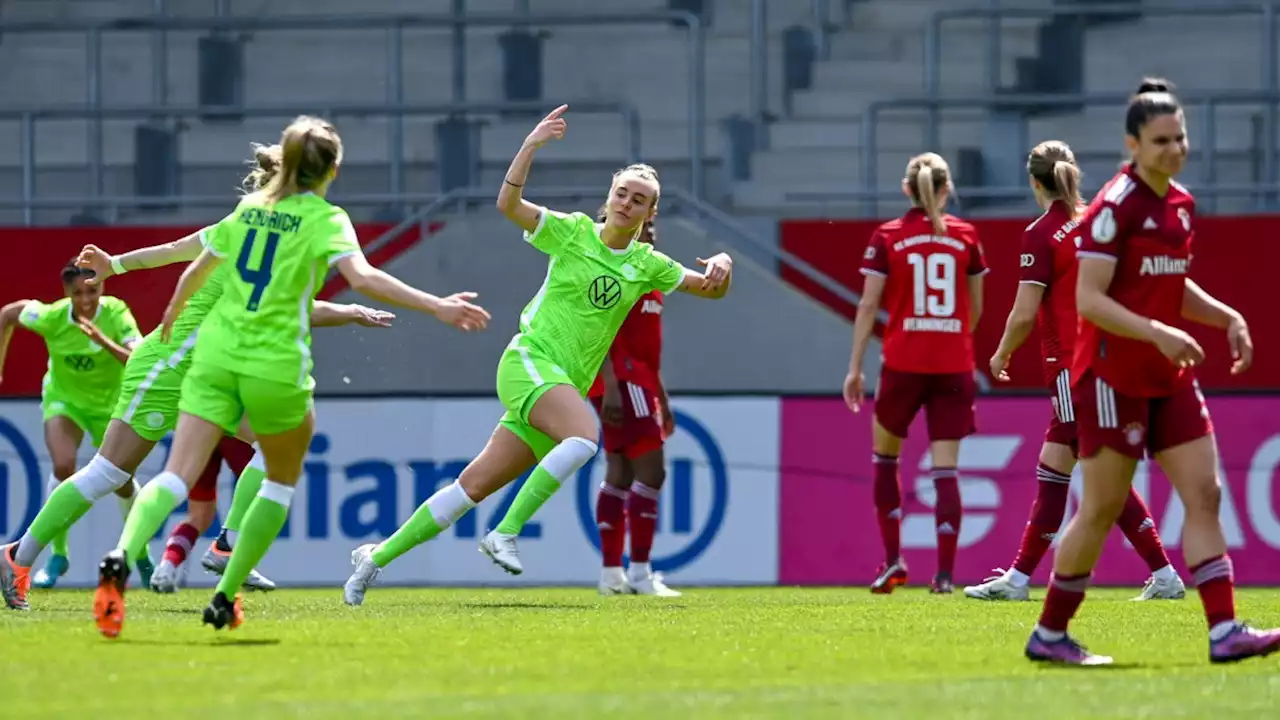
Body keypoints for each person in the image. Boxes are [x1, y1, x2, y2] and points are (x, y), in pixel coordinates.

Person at [89, 115, 489, 636]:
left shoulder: (249, 208)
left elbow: (192, 270)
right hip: (275, 365)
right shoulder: (326, 218)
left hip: (214, 357)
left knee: (175, 474)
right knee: (277, 481)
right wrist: (435, 305)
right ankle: (225, 592)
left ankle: (121, 553)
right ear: (333, 169)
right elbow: (363, 278)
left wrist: (170, 314)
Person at [341, 105, 733, 606]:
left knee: (470, 487)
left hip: (557, 385)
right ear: (608, 198)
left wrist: (723, 261)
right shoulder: (571, 232)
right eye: (622, 194)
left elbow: (710, 289)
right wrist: (530, 145)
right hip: (528, 360)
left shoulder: (647, 263)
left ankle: (372, 561)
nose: (628, 204)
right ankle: (505, 531)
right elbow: (509, 203)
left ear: (651, 213)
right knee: (586, 437)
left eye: (640, 200)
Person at [1025, 78, 1280, 665]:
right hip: (1113, 377)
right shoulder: (1115, 208)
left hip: (1168, 377)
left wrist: (1226, 316)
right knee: (1100, 509)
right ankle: (1051, 633)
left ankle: (1223, 631)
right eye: (1161, 140)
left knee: (1206, 494)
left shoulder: (1180, 205)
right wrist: (1157, 331)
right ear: (1132, 144)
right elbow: (1089, 299)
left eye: (1180, 137)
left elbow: (1170, 283)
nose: (1174, 148)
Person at [964, 140, 1185, 603]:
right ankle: (1021, 579)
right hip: (1109, 361)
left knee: (1093, 476)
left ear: (1033, 182)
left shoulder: (1041, 233)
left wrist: (1001, 353)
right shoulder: (1097, 223)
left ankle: (1161, 574)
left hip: (1071, 367)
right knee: (1059, 471)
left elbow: (1025, 314)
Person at [843, 152, 985, 595]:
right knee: (946, 471)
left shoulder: (888, 236)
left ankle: (892, 561)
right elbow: (976, 308)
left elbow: (868, 305)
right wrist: (954, 337)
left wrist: (854, 368)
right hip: (953, 364)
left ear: (907, 189)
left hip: (903, 362)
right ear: (946, 190)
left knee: (886, 459)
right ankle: (944, 576)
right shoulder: (966, 235)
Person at [0, 260, 152, 591]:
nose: (85, 300)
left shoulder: (116, 314)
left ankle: (139, 551)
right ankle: (58, 555)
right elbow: (7, 315)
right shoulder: (51, 317)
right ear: (66, 292)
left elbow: (138, 357)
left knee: (123, 483)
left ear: (103, 288)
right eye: (77, 293)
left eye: (92, 291)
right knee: (63, 464)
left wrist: (102, 340)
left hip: (111, 405)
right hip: (64, 401)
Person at [588, 218, 678, 597]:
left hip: (638, 380)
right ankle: (640, 573)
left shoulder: (649, 275)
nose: (651, 232)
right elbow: (598, 327)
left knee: (620, 474)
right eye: (645, 225)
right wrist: (609, 382)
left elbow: (647, 348)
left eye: (654, 226)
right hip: (620, 380)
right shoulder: (612, 271)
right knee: (652, 472)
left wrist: (662, 397)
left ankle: (612, 576)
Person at [151, 436, 276, 593]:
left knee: (199, 516)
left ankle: (166, 569)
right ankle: (231, 553)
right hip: (232, 424)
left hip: (201, 425)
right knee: (270, 475)